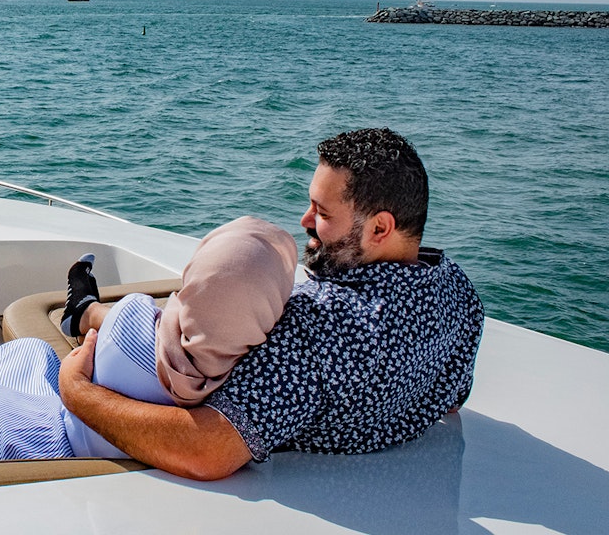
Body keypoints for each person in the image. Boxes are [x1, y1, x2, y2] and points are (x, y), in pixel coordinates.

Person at [58, 128, 484, 480]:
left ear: (379, 228)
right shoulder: (459, 293)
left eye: (322, 212)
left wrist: (78, 394)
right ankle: (86, 311)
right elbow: (452, 399)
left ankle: (84, 312)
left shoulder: (320, 326)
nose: (305, 221)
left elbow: (209, 450)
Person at [0, 216, 297, 465]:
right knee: (28, 349)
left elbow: (92, 361)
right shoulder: (248, 352)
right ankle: (80, 306)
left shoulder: (147, 346)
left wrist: (83, 366)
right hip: (93, 422)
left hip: (60, 435)